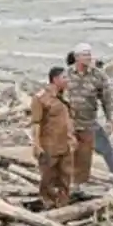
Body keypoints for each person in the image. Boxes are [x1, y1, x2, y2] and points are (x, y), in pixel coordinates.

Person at [66, 43, 113, 194]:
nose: (88, 57)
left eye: (89, 54)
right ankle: (66, 183)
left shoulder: (98, 76)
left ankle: (80, 185)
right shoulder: (66, 74)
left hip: (88, 123)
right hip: (69, 123)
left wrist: (109, 120)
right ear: (76, 57)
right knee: (67, 153)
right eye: (84, 54)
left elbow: (106, 100)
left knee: (85, 155)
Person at [31, 67, 75, 208]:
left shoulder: (64, 97)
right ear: (55, 79)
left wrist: (72, 137)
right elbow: (36, 123)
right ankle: (47, 202)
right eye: (64, 78)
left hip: (65, 145)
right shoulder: (41, 98)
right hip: (49, 145)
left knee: (66, 176)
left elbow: (68, 119)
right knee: (48, 177)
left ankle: (63, 203)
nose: (68, 81)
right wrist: (37, 144)